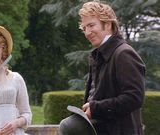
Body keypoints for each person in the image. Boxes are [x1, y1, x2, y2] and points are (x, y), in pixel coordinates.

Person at [59, 1, 146, 135]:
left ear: (108, 24)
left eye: (91, 25)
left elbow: (134, 98)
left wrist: (96, 108)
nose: (87, 32)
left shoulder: (123, 54)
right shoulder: (100, 54)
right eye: (84, 28)